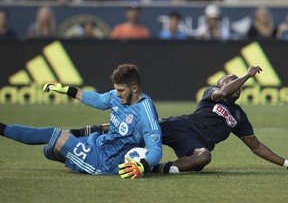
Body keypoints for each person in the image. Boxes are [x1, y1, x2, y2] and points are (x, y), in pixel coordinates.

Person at [70, 66, 288, 174]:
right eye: (231, 82)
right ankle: (88, 132)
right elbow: (223, 93)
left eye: (237, 82)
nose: (236, 85)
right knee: (141, 126)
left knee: (204, 158)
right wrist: (247, 75)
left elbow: (257, 147)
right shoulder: (212, 93)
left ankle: (161, 169)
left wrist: (286, 163)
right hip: (181, 125)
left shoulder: (239, 116)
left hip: (196, 143)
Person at [0, 64, 162, 179]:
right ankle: (71, 158)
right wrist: (65, 90)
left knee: (52, 135)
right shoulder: (117, 96)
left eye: (121, 90)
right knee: (49, 151)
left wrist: (142, 165)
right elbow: (98, 100)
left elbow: (155, 148)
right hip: (98, 144)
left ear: (134, 89)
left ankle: (2, 129)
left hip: (104, 163)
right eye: (116, 89)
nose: (117, 94)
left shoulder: (145, 113)